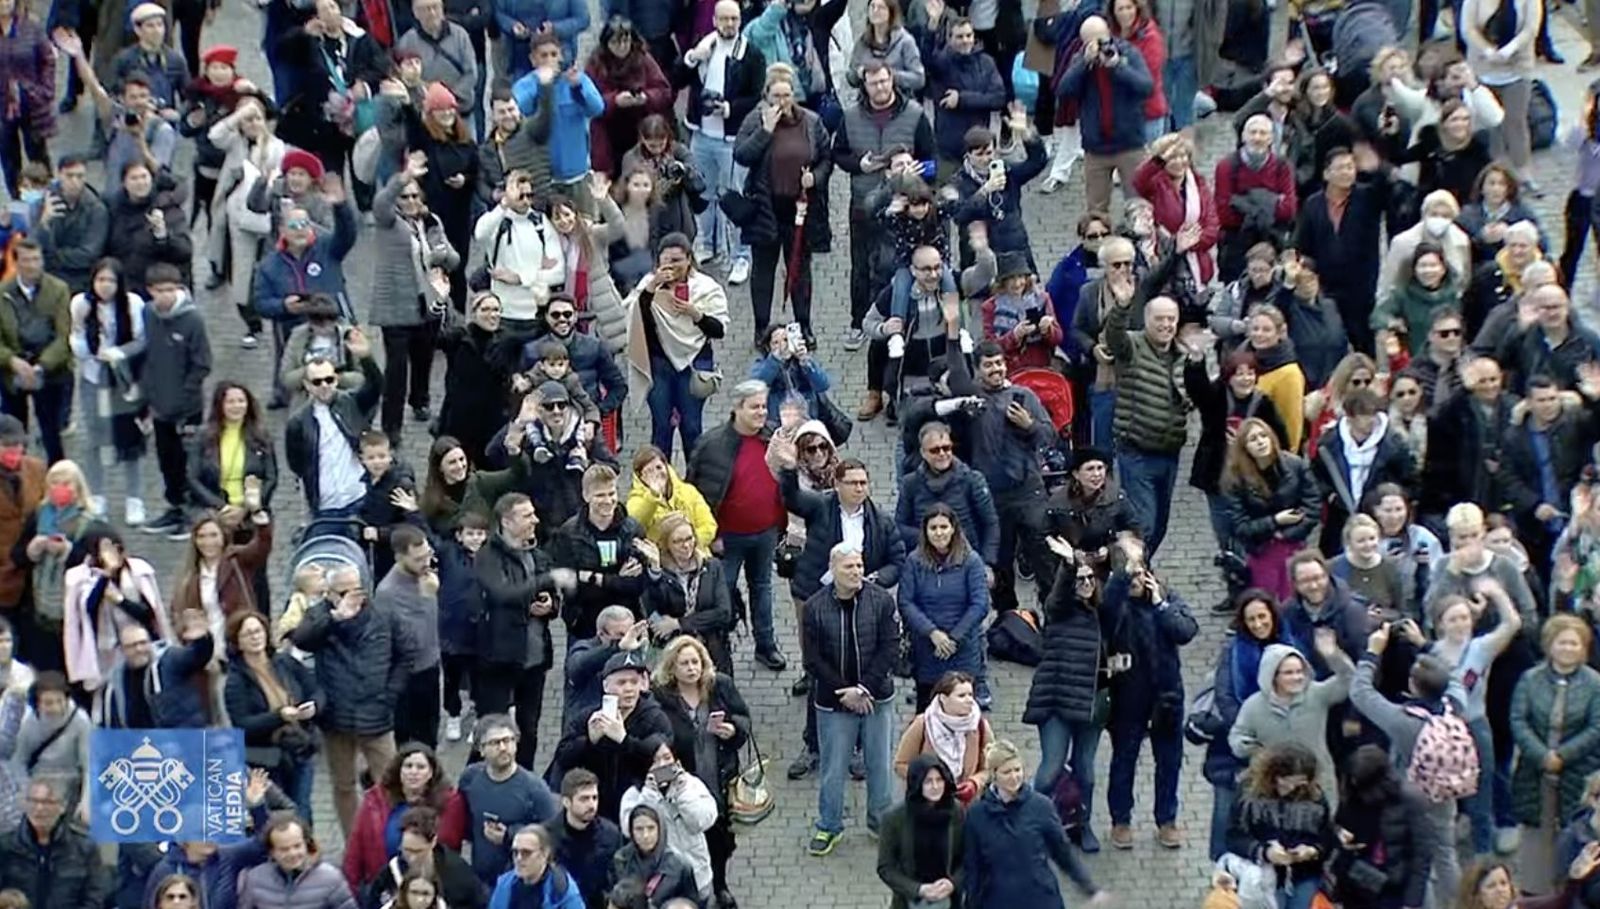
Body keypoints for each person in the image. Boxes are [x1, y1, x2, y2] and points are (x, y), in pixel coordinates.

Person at [290, 565, 408, 839]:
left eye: (356, 589)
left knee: (389, 782)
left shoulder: (382, 613)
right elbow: (302, 640)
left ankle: (393, 838)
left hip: (376, 714)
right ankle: (354, 841)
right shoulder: (320, 615)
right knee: (343, 785)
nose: (352, 596)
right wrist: (334, 619)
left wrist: (389, 695)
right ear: (329, 594)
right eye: (343, 591)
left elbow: (405, 655)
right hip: (337, 717)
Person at [803, 543, 899, 857]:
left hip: (876, 698)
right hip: (834, 702)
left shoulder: (881, 601)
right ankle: (829, 825)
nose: (857, 572)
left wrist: (864, 689)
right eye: (849, 567)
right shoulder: (815, 607)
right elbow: (813, 660)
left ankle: (880, 823)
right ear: (833, 570)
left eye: (859, 566)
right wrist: (845, 692)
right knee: (833, 768)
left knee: (879, 764)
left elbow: (889, 648)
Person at [1103, 537, 1198, 850]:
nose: (1135, 578)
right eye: (1129, 571)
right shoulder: (1115, 601)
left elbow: (1185, 631)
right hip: (1128, 696)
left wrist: (1159, 603)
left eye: (1139, 569)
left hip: (1167, 693)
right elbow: (1107, 616)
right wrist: (1121, 580)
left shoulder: (1166, 598)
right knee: (1124, 758)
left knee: (1169, 760)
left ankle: (1167, 819)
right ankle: (1120, 820)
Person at [686, 382, 785, 670]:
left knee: (763, 590)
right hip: (726, 539)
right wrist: (711, 535)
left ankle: (766, 646)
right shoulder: (711, 444)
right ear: (737, 408)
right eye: (754, 407)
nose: (761, 412)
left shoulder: (773, 437)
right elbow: (695, 494)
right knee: (723, 594)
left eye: (764, 406)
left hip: (766, 533)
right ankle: (720, 647)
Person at [732, 64, 831, 343]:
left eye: (787, 95)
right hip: (766, 207)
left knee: (799, 269)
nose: (782, 101)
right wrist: (765, 131)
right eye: (776, 96)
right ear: (766, 96)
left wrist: (816, 177)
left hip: (801, 208)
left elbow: (826, 157)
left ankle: (803, 325)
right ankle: (761, 329)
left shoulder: (811, 121)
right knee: (763, 271)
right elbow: (741, 154)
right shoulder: (755, 119)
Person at [476, 492, 572, 770]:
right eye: (527, 515)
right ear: (507, 521)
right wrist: (546, 580)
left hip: (535, 659)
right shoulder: (488, 556)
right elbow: (502, 593)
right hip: (500, 659)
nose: (535, 520)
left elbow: (551, 598)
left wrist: (550, 604)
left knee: (529, 731)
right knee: (493, 729)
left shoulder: (537, 554)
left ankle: (525, 781)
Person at [650, 635, 747, 907]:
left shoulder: (720, 686)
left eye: (696, 662)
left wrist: (732, 730)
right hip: (684, 781)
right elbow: (655, 737)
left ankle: (720, 885)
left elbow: (743, 718)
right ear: (672, 668)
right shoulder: (661, 697)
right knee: (687, 839)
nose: (692, 668)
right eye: (684, 663)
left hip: (719, 776)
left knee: (721, 839)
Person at [1510, 615, 1600, 892]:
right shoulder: (1530, 679)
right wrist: (1542, 755)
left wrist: (1562, 756)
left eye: (1574, 644)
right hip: (1534, 771)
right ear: (1550, 645)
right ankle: (1535, 891)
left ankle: (1565, 888)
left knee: (1572, 833)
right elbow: (1518, 720)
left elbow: (1597, 727)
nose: (1568, 649)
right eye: (1563, 643)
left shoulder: (1595, 683)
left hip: (1577, 770)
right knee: (1536, 832)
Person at [369, 163, 458, 442]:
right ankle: (391, 425)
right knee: (396, 369)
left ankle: (420, 400)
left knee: (424, 357)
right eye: (404, 197)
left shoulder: (431, 222)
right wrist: (402, 178)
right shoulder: (389, 222)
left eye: (414, 196)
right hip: (396, 305)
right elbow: (381, 203)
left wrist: (442, 255)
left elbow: (454, 259)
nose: (410, 201)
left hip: (428, 301)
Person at [962, 740, 1105, 909]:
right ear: (994, 775)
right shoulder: (977, 815)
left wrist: (1089, 887)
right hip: (998, 900)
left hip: (1040, 898)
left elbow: (1062, 852)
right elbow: (973, 867)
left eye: (1017, 770)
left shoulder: (1041, 806)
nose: (1014, 777)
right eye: (1006, 772)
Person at [624, 233, 729, 459]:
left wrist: (695, 314)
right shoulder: (648, 286)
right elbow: (635, 321)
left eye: (677, 260)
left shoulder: (706, 288)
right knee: (662, 428)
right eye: (666, 260)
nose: (671, 266)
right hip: (659, 366)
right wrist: (652, 288)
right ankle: (661, 483)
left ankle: (695, 482)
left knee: (691, 428)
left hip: (693, 365)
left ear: (689, 259)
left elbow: (719, 330)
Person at [1104, 291, 1194, 556]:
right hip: (1136, 451)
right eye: (1160, 319)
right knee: (1145, 524)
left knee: (1161, 526)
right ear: (1146, 320)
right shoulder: (1132, 346)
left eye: (1171, 319)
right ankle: (1130, 577)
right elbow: (1114, 337)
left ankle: (1136, 570)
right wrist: (1121, 306)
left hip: (1169, 453)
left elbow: (1194, 397)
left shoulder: (1183, 356)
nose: (1166, 325)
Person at [223, 610, 323, 824]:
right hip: (268, 758)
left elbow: (316, 689)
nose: (255, 637)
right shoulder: (236, 681)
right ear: (237, 642)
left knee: (303, 807)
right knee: (283, 812)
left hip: (301, 746)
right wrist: (279, 716)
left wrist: (314, 706)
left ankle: (307, 849)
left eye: (258, 631)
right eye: (248, 634)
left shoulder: (285, 662)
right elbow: (242, 724)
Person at [1056, 15, 1154, 215]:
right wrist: (1084, 64)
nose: (1098, 46)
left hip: (1129, 144)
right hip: (1096, 148)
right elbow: (1064, 90)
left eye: (1101, 40)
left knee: (1139, 207)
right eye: (1091, 42)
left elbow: (1146, 87)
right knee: (1096, 210)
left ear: (1109, 34)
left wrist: (1117, 66)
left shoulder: (1128, 52)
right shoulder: (1079, 59)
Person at [1221, 418, 1322, 600]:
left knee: (1295, 599)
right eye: (1253, 439)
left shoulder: (1295, 465)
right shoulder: (1235, 479)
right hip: (1262, 550)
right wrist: (1275, 522)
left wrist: (1287, 534)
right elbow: (1239, 526)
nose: (1260, 442)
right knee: (1266, 600)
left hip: (1294, 545)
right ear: (1244, 448)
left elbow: (1313, 506)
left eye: (1263, 436)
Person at [898, 508, 989, 709]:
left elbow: (980, 603)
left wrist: (953, 638)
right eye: (933, 528)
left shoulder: (971, 561)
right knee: (927, 713)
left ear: (953, 529)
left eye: (944, 527)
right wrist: (932, 633)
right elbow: (906, 601)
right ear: (925, 531)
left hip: (963, 652)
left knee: (963, 715)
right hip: (927, 651)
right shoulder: (914, 561)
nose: (939, 533)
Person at [282, 340, 385, 517]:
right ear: (307, 385)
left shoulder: (351, 402)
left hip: (359, 497)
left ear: (336, 380)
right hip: (325, 507)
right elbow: (297, 463)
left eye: (328, 379)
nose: (324, 385)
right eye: (317, 381)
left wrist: (366, 358)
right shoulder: (297, 422)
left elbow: (376, 386)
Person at [1328, 744, 1435, 909]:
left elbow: (1422, 855)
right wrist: (1340, 835)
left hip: (1391, 884)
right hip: (1354, 879)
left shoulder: (1410, 800)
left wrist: (1412, 902)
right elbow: (1337, 825)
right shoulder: (1352, 794)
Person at [459, 714, 561, 887]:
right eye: (494, 743)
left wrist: (509, 835)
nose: (503, 747)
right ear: (481, 749)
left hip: (519, 882)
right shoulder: (470, 778)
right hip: (480, 880)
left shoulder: (535, 789)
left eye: (508, 740)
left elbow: (552, 835)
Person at [0, 240, 72, 467]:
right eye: (27, 260)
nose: (32, 266)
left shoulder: (58, 289)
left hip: (50, 370)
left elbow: (64, 336)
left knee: (51, 431)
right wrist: (12, 360)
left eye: (37, 259)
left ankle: (57, 474)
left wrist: (41, 366)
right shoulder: (3, 293)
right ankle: (16, 476)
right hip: (12, 370)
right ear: (17, 262)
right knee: (14, 431)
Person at [639, 513, 736, 674]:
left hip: (710, 647)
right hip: (671, 651)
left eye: (689, 538)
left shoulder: (711, 567)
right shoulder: (658, 572)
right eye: (678, 541)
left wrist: (679, 623)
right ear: (666, 544)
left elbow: (723, 612)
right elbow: (651, 607)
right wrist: (655, 572)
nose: (686, 545)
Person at [0, 779, 107, 909]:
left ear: (62, 806)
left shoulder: (84, 848)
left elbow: (94, 899)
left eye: (47, 802)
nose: (39, 808)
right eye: (33, 801)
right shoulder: (5, 846)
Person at [877, 754, 965, 909]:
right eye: (928, 781)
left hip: (950, 901)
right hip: (909, 902)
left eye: (939, 780)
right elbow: (886, 867)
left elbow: (968, 858)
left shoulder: (956, 811)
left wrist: (953, 883)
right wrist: (919, 889)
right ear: (917, 784)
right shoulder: (894, 818)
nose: (935, 786)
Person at [236, 815, 360, 909]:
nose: (292, 853)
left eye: (297, 846)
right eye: (284, 849)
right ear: (272, 852)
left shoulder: (331, 878)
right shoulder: (254, 879)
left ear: (306, 843)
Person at [548, 769, 625, 909]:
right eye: (584, 799)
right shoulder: (547, 836)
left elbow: (617, 880)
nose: (591, 805)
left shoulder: (611, 835)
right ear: (566, 802)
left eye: (594, 798)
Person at [34, 156, 109, 297]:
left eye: (80, 176)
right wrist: (44, 223)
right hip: (46, 276)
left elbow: (89, 255)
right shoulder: (42, 204)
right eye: (69, 176)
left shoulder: (96, 208)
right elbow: (32, 246)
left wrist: (53, 256)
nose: (74, 181)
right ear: (59, 175)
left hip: (81, 278)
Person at [488, 824, 586, 909]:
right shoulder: (504, 885)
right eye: (515, 852)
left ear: (545, 854)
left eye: (526, 853)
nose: (519, 858)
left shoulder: (562, 891)